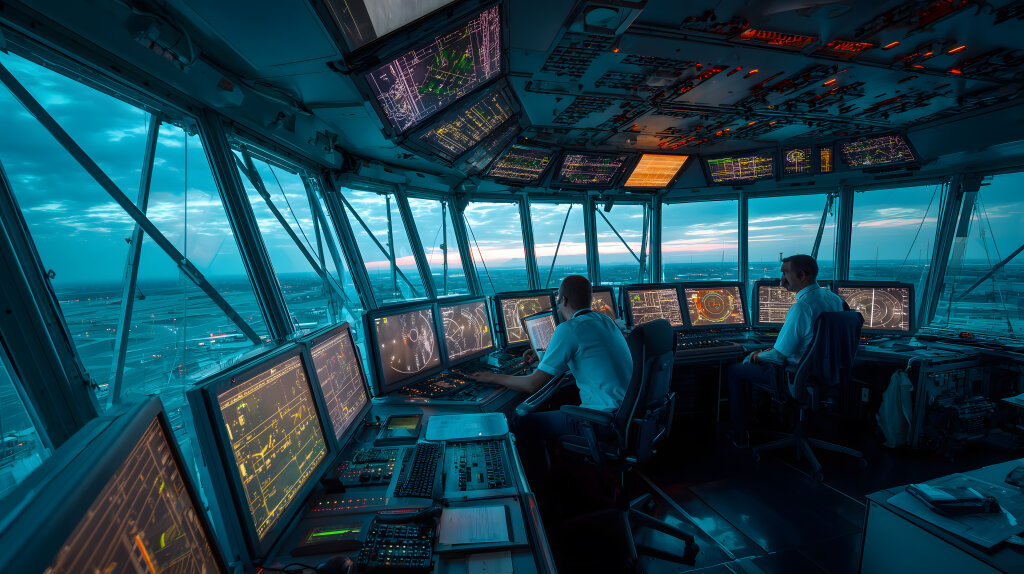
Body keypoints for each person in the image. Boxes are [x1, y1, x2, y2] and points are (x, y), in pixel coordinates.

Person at [470, 275, 632, 464]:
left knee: (522, 422)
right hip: (627, 414)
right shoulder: (606, 321)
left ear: (563, 300)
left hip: (602, 421)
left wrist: (492, 377)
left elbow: (532, 385)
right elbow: (588, 351)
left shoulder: (568, 329)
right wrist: (546, 353)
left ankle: (542, 488)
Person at [728, 254, 844, 447]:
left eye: (785, 274)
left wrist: (755, 355)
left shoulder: (802, 307)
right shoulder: (833, 298)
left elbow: (779, 356)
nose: (781, 280)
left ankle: (740, 434)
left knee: (736, 370)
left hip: (796, 375)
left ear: (802, 275)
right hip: (827, 372)